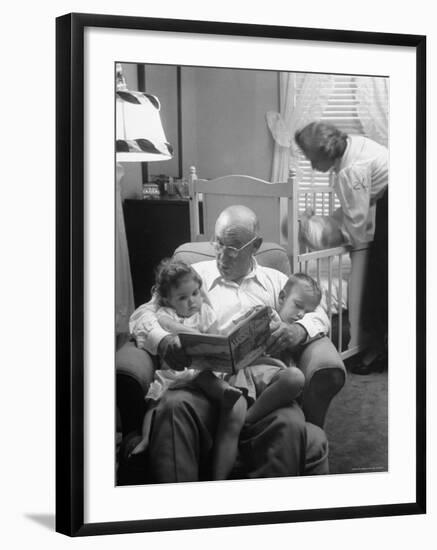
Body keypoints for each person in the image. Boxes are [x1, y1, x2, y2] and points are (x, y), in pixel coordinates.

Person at [128, 205, 330, 482]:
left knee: (290, 423)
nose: (222, 255)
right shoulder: (193, 275)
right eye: (218, 244)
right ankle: (179, 515)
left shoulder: (276, 281)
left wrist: (299, 329)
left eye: (232, 248)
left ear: (255, 246)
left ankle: (271, 518)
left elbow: (319, 311)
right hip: (202, 380)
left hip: (262, 385)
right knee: (174, 407)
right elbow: (143, 314)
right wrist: (162, 341)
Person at [294, 121, 388, 374]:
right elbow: (353, 208)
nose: (313, 167)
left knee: (376, 281)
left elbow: (356, 224)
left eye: (313, 160)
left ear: (327, 153)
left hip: (394, 201)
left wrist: (344, 240)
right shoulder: (352, 145)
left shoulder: (350, 171)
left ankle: (378, 350)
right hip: (388, 195)